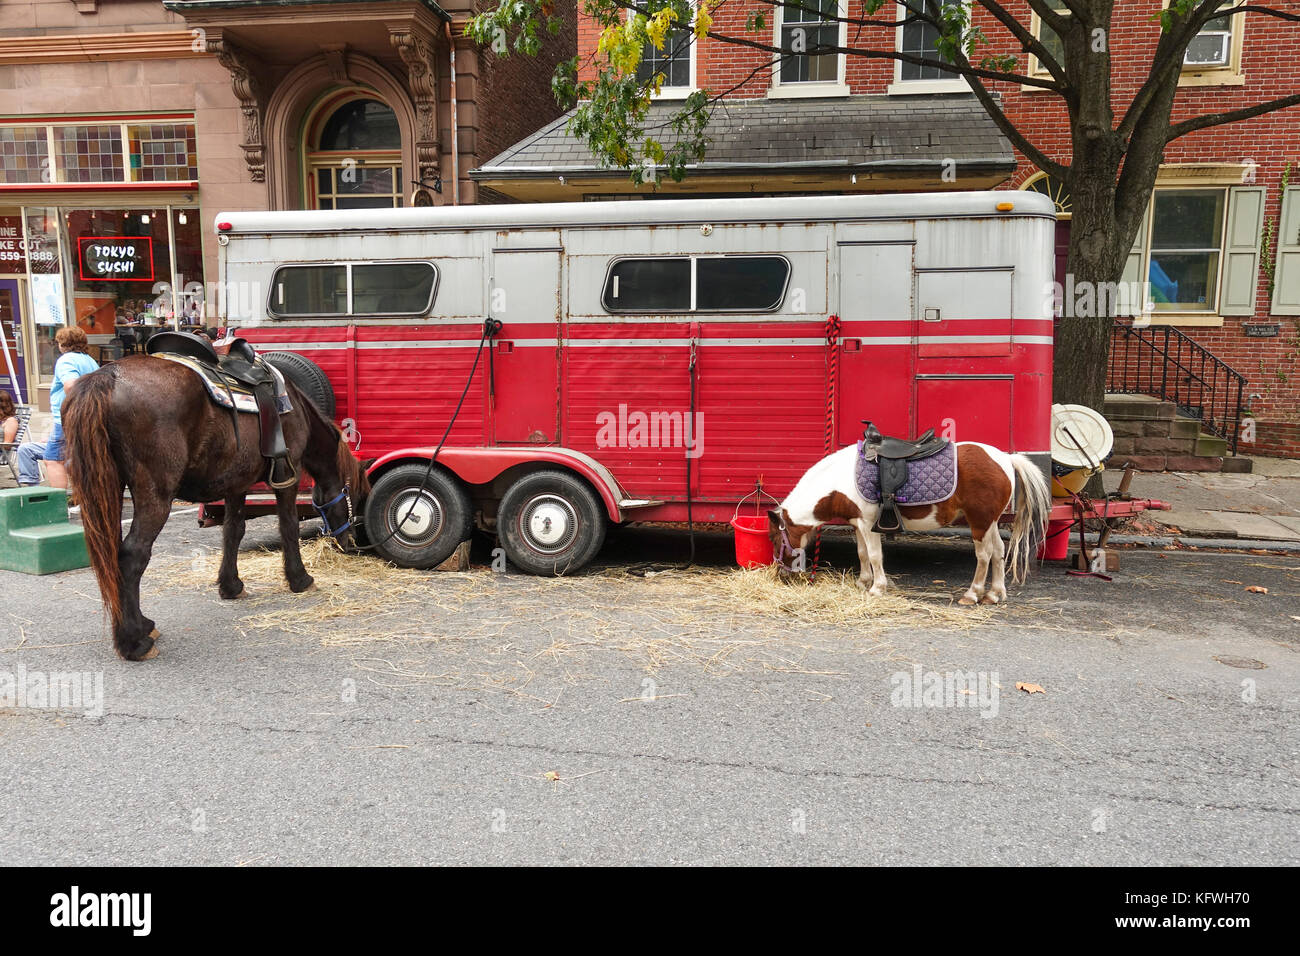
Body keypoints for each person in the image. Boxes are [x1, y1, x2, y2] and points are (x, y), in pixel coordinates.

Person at [17, 326, 99, 492]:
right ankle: (82, 499)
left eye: (59, 342)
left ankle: (59, 504)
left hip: (69, 418)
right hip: (89, 418)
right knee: (81, 460)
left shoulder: (66, 360)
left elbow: (71, 385)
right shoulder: (90, 360)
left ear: (63, 344)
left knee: (53, 460)